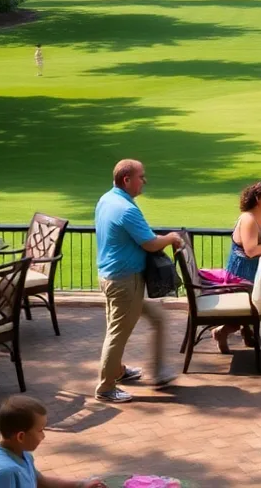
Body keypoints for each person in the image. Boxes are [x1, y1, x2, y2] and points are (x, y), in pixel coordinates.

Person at [95, 159, 184, 404]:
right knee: (117, 334)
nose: (144, 181)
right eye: (141, 176)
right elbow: (150, 243)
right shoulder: (126, 209)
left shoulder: (106, 200)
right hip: (125, 282)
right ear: (127, 180)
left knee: (155, 318)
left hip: (110, 277)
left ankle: (123, 371)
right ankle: (105, 387)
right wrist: (171, 238)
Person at [210, 181, 261, 353]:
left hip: (253, 270)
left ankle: (247, 330)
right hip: (241, 274)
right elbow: (251, 251)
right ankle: (222, 332)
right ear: (258, 199)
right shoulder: (248, 219)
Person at [0, 395, 106, 488]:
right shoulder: (5, 473)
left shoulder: (20, 453)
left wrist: (81, 484)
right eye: (40, 430)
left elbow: (40, 481)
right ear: (21, 437)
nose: (43, 436)